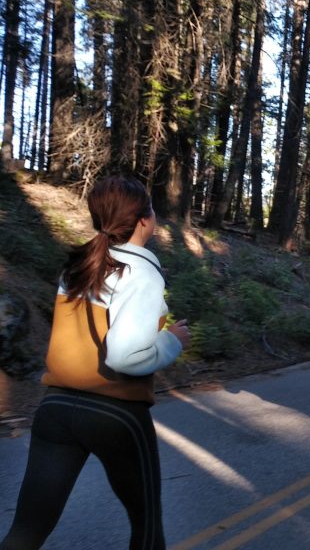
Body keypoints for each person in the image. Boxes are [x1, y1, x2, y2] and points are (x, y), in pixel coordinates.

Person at [1, 176, 190, 550]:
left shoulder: (78, 266)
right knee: (147, 527)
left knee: (26, 532)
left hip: (55, 408)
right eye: (152, 210)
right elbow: (126, 355)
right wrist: (171, 340)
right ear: (143, 221)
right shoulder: (141, 273)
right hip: (115, 413)